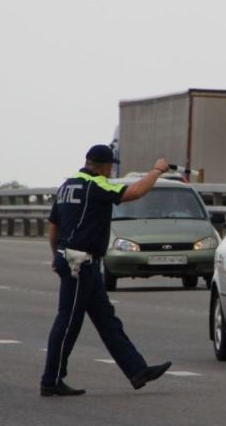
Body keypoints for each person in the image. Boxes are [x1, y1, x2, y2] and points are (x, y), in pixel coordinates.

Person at [40, 144, 172, 397]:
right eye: (111, 165)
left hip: (75, 260)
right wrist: (157, 171)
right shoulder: (96, 185)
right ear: (103, 166)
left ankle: (137, 370)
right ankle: (51, 380)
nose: (112, 170)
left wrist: (56, 256)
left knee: (106, 320)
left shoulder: (68, 185)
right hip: (81, 262)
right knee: (68, 322)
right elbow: (134, 192)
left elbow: (54, 226)